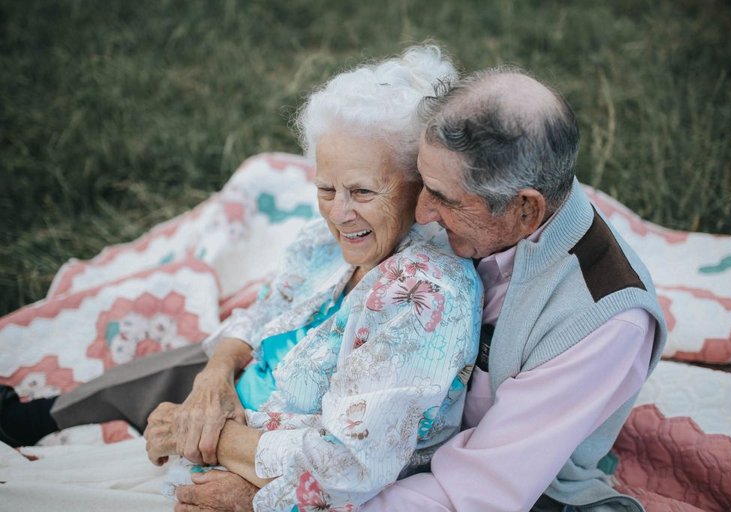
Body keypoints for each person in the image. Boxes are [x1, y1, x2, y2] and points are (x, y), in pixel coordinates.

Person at [0, 46, 483, 512]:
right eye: (325, 188)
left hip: (256, 457)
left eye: (361, 191)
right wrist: (214, 379)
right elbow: (264, 309)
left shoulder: (422, 298)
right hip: (234, 408)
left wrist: (205, 435)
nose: (338, 213)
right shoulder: (327, 240)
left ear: (418, 189)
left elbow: (349, 464)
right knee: (194, 359)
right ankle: (42, 415)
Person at [171, 68, 668, 512]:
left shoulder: (604, 321)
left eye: (444, 199)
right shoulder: (472, 216)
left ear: (526, 210)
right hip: (342, 434)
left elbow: (472, 494)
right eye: (422, 185)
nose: (423, 215)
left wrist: (268, 498)